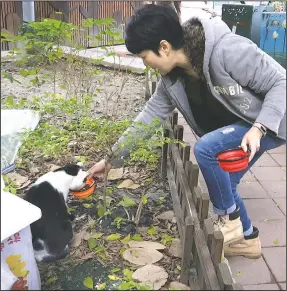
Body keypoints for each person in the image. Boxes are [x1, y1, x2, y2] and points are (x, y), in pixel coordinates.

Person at [89, 4, 286, 259]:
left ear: (164, 46)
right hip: (244, 127)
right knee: (227, 183)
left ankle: (230, 222)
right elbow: (148, 118)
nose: (145, 63)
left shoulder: (227, 50)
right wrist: (111, 160)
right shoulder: (172, 80)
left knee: (206, 148)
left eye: (143, 55)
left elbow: (281, 82)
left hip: (270, 122)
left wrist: (259, 128)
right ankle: (246, 238)